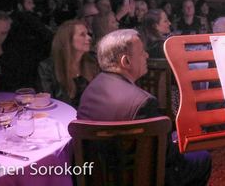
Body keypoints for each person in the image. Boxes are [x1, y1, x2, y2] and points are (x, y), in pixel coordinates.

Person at [77, 29, 212, 186]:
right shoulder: (144, 102)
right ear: (125, 61)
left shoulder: (91, 87)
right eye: (142, 52)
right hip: (135, 176)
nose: (147, 56)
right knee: (202, 156)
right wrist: (175, 141)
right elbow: (167, 158)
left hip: (99, 173)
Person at [38, 20, 99, 108]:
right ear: (68, 40)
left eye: (88, 34)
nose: (89, 38)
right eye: (82, 35)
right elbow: (47, 102)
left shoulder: (93, 61)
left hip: (92, 116)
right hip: (62, 117)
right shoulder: (47, 68)